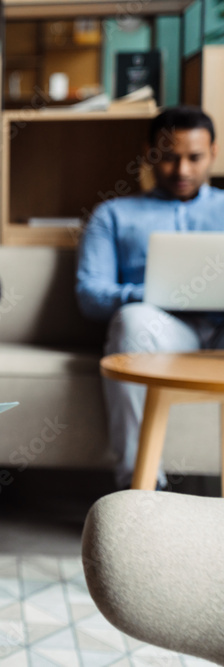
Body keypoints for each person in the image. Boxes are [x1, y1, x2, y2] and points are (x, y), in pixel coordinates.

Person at [76, 106, 224, 490]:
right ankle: (141, 488)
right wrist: (157, 295)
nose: (183, 171)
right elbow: (91, 296)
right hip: (163, 333)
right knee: (133, 320)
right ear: (150, 153)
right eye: (170, 157)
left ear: (214, 152)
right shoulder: (113, 214)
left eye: (194, 158)